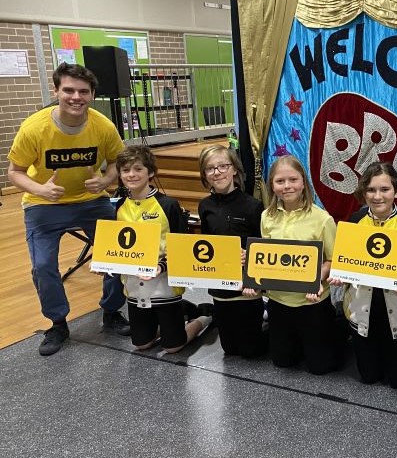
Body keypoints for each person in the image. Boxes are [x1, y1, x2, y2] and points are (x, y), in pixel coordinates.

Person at [7, 62, 130, 356]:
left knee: (118, 255)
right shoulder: (34, 128)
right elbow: (15, 171)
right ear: (57, 90)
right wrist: (40, 189)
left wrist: (105, 180)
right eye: (69, 90)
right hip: (43, 205)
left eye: (83, 92)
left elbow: (117, 162)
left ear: (92, 95)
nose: (76, 97)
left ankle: (112, 312)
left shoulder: (102, 126)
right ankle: (58, 323)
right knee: (43, 266)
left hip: (91, 202)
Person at [329, 162, 397, 388]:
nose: (377, 196)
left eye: (385, 189)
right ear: (364, 192)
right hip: (362, 314)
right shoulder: (354, 221)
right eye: (371, 190)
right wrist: (341, 275)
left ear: (396, 192)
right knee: (369, 377)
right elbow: (346, 263)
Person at [115, 146, 211, 353]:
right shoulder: (120, 206)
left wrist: (162, 265)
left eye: (138, 169)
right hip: (134, 286)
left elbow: (182, 245)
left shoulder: (168, 205)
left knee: (173, 347)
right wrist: (106, 264)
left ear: (150, 172)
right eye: (125, 170)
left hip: (164, 283)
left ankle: (205, 316)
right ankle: (174, 318)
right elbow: (117, 246)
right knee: (141, 344)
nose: (131, 174)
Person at [258, 155, 339, 375]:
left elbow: (332, 260)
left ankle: (337, 329)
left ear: (303, 182)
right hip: (278, 300)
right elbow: (264, 258)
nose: (287, 186)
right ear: (272, 186)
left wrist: (316, 281)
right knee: (283, 362)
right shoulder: (266, 217)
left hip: (312, 302)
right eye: (280, 181)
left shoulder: (322, 219)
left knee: (321, 368)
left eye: (293, 180)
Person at [197, 145, 265, 358]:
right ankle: (207, 316)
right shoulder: (204, 206)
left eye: (223, 166)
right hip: (220, 288)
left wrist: (249, 256)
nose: (217, 172)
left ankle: (268, 315)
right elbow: (207, 244)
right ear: (205, 175)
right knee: (230, 350)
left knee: (250, 351)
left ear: (234, 170)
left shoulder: (253, 206)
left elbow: (263, 246)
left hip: (246, 289)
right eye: (210, 168)